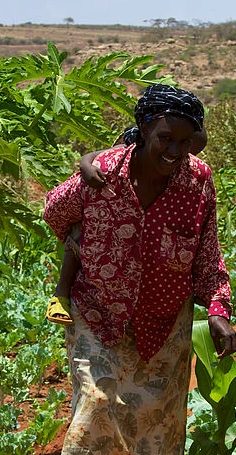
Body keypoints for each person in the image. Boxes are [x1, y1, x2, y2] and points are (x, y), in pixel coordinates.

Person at [35, 84, 236, 455]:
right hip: (100, 311)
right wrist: (81, 241)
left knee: (153, 421)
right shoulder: (103, 174)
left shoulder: (199, 183)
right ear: (145, 128)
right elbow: (53, 211)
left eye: (186, 142)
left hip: (164, 319)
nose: (174, 152)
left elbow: (208, 252)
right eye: (166, 138)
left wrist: (217, 308)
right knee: (97, 399)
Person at [45, 127, 208, 325]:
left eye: (188, 151)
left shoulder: (185, 177)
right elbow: (91, 157)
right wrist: (87, 167)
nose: (178, 155)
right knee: (79, 238)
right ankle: (60, 294)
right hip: (102, 203)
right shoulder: (126, 154)